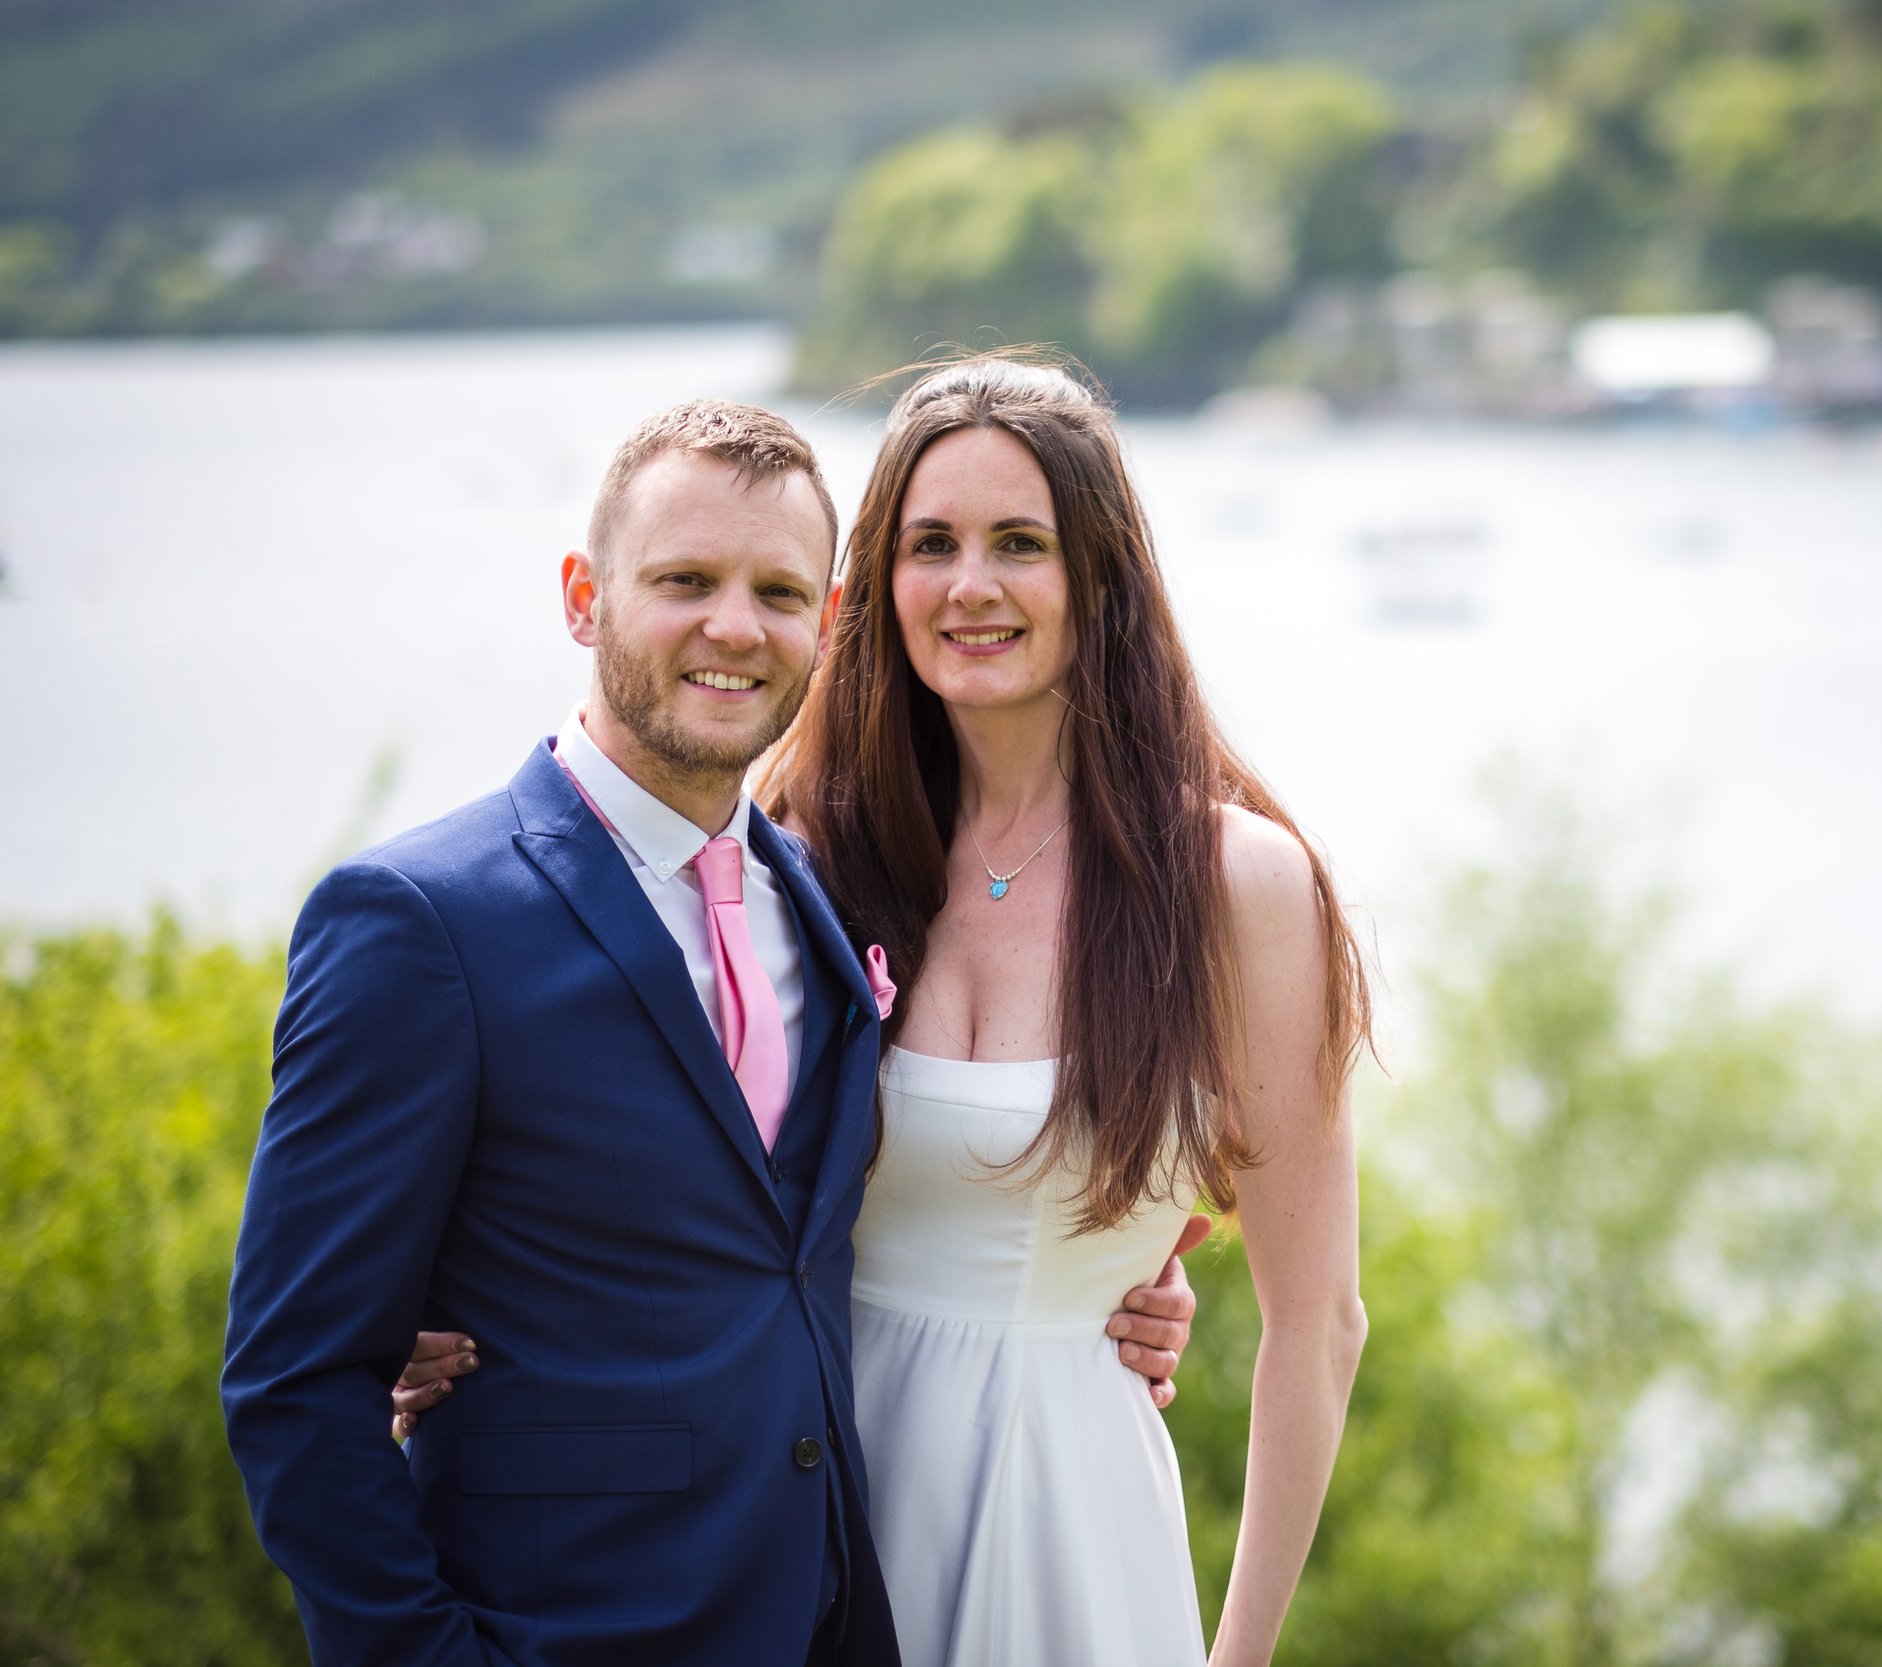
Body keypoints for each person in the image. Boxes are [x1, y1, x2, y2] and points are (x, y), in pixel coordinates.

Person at [222, 400, 1196, 1667]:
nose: (734, 627)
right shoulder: (421, 922)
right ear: (584, 597)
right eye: (684, 579)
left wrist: (1118, 1267)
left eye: (777, 591)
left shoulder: (834, 899)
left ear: (827, 624)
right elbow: (296, 1381)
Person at [765, 353, 1370, 1666]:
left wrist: (1238, 1655)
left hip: (1075, 1524)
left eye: (1020, 543)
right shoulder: (804, 850)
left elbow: (1319, 1322)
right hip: (817, 1513)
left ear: (1100, 578)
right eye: (932, 544)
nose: (970, 585)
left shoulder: (1238, 886)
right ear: (879, 583)